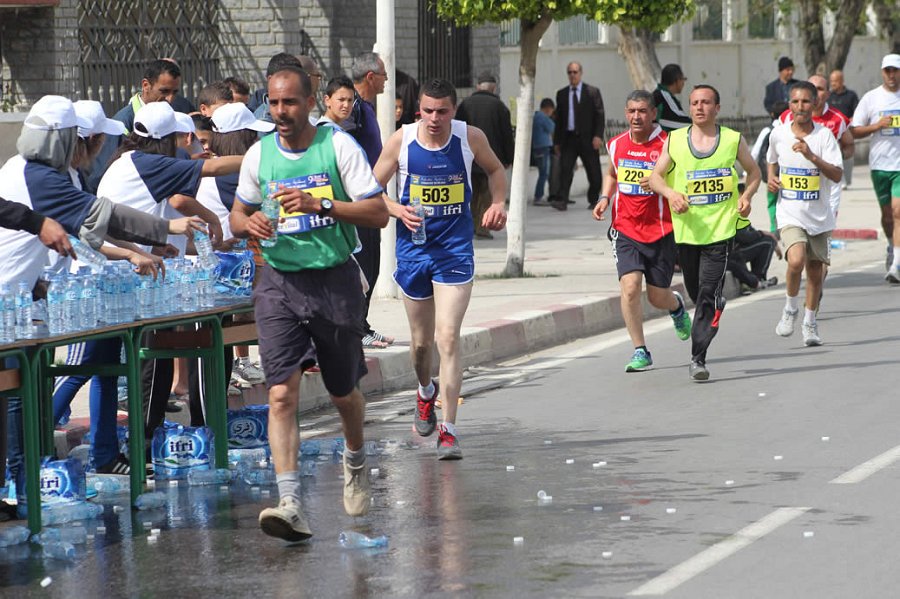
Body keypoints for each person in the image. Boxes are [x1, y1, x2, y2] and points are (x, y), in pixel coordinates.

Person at [1, 96, 203, 513]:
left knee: (26, 391)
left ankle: (24, 484)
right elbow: (106, 220)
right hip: (10, 303)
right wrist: (162, 228)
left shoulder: (33, 172)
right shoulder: (41, 177)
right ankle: (21, 487)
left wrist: (38, 281)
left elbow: (80, 230)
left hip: (22, 298)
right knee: (20, 395)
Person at [230, 65, 388, 541]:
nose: (280, 112)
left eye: (290, 103)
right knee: (280, 393)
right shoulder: (259, 154)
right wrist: (249, 224)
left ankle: (355, 459)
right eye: (274, 103)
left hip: (333, 281)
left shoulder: (336, 146)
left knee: (342, 393)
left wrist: (322, 204)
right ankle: (290, 501)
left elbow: (377, 213)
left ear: (309, 102)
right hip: (278, 282)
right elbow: (237, 215)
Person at [373, 78, 508, 460]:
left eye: (442, 111)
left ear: (454, 111)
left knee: (447, 336)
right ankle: (425, 390)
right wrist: (396, 209)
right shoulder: (402, 140)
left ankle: (449, 430)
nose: (434, 118)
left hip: (454, 251)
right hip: (413, 251)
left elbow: (496, 170)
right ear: (419, 110)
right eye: (427, 111)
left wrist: (498, 202)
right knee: (421, 346)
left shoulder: (470, 138)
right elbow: (369, 188)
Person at [98, 101, 243, 440]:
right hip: (125, 274)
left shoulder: (128, 161)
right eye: (177, 139)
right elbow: (212, 169)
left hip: (134, 267)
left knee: (152, 358)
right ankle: (145, 438)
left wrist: (202, 245)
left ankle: (148, 435)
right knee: (147, 360)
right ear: (164, 140)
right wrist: (261, 156)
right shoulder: (150, 164)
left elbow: (158, 224)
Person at [649, 84, 760, 381]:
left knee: (708, 292)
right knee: (697, 292)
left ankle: (697, 358)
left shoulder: (732, 140)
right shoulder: (675, 140)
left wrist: (746, 196)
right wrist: (671, 194)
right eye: (695, 102)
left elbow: (754, 172)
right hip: (687, 231)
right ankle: (713, 307)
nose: (699, 107)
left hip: (720, 230)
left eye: (706, 102)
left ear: (717, 108)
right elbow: (655, 177)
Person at [592, 90, 692, 372]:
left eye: (642, 111)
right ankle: (640, 350)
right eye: (632, 111)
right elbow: (612, 174)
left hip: (660, 231)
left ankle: (675, 306)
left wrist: (665, 189)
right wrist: (604, 197)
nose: (637, 117)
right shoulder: (616, 144)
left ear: (653, 113)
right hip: (625, 228)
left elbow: (682, 179)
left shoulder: (667, 144)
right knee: (631, 286)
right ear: (626, 113)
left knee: (657, 297)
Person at [768, 81, 843, 345]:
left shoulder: (824, 137)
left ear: (815, 104)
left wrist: (812, 157)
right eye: (795, 101)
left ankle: (810, 323)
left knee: (815, 271)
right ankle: (790, 308)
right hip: (790, 212)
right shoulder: (779, 134)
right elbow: (771, 160)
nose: (800, 106)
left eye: (806, 101)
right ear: (789, 104)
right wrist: (771, 178)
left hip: (819, 216)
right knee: (796, 260)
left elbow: (837, 174)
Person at [87, 59, 186, 193]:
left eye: (174, 92)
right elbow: (99, 176)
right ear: (146, 85)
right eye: (164, 91)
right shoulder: (123, 124)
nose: (170, 99)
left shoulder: (170, 115)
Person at [349, 52, 393, 348]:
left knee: (373, 267)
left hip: (373, 200)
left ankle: (362, 324)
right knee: (363, 268)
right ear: (370, 77)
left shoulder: (365, 106)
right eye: (383, 75)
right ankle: (355, 329)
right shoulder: (353, 107)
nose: (386, 81)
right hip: (360, 201)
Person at [849, 53, 900, 283]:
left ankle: (897, 264)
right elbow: (853, 130)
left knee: (898, 212)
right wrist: (876, 126)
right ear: (882, 72)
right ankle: (891, 245)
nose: (892, 75)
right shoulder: (872, 99)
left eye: (895, 70)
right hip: (880, 166)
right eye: (888, 70)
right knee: (887, 216)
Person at [455, 72, 514, 238]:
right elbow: (507, 135)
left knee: (472, 193)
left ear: (477, 87)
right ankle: (483, 227)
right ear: (493, 88)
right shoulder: (500, 107)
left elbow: (456, 130)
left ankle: (473, 225)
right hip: (492, 159)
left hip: (469, 157)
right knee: (487, 194)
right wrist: (509, 158)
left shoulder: (466, 104)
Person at [551, 61, 605, 210]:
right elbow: (559, 120)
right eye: (570, 72)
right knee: (565, 170)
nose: (572, 75)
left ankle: (593, 199)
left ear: (580, 73)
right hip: (569, 139)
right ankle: (562, 200)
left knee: (593, 171)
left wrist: (598, 136)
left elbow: (600, 115)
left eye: (575, 72)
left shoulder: (592, 92)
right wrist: (557, 142)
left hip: (588, 138)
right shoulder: (562, 94)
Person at [751, 100, 789, 232]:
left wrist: (747, 172)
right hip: (789, 173)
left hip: (771, 174)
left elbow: (755, 151)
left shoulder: (768, 130)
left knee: (772, 202)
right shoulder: (792, 129)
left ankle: (774, 228)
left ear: (772, 114)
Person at [829, 69, 859, 188]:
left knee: (846, 153)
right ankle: (838, 179)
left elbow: (857, 112)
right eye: (831, 81)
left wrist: (848, 122)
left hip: (847, 129)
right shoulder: (828, 96)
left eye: (835, 81)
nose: (833, 84)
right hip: (832, 130)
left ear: (842, 81)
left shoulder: (851, 95)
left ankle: (847, 179)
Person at [652, 64, 691, 131]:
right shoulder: (664, 96)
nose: (683, 83)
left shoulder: (659, 94)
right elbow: (680, 121)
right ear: (677, 80)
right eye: (683, 79)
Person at [531, 98, 555, 206]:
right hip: (543, 148)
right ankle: (538, 196)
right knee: (544, 173)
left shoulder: (536, 116)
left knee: (543, 173)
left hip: (538, 147)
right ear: (548, 109)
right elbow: (552, 127)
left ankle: (539, 196)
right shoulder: (542, 117)